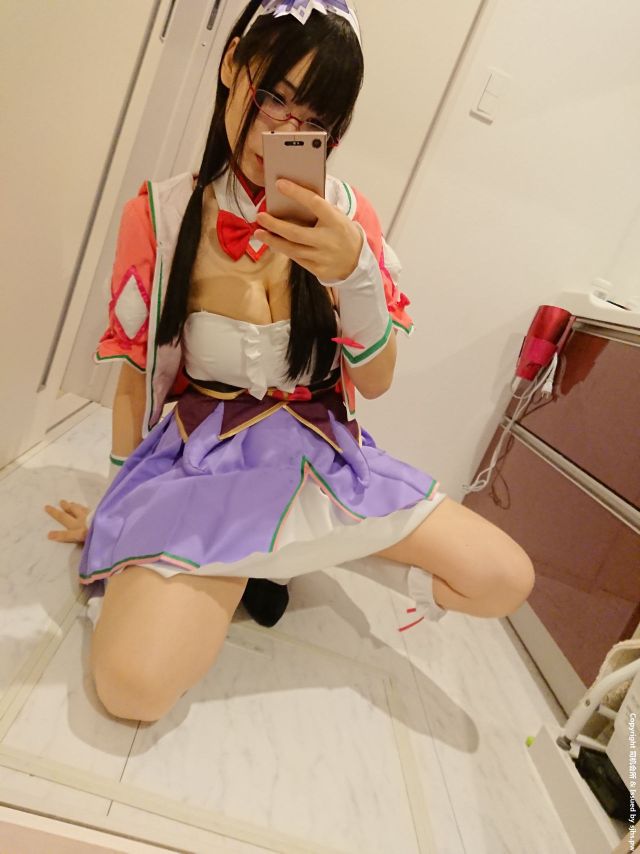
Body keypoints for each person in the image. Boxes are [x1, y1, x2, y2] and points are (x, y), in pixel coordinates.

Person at [45, 0, 535, 723]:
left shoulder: (348, 220)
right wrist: (119, 509)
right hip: (206, 461)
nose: (280, 130)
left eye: (311, 120)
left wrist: (355, 274)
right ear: (232, 63)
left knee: (503, 578)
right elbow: (133, 381)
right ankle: (254, 558)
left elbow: (376, 381)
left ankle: (292, 550)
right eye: (272, 94)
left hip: (319, 453)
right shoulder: (161, 215)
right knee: (132, 688)